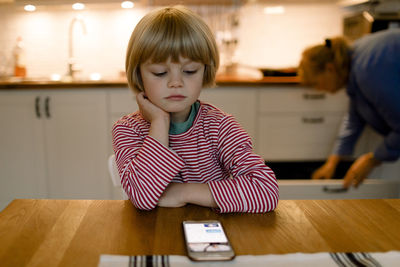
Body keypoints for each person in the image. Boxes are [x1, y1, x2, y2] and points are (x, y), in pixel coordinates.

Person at [112, 6, 279, 213]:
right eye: (160, 72)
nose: (176, 82)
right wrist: (159, 123)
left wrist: (183, 192)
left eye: (190, 71)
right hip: (153, 239)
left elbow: (266, 191)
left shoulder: (220, 126)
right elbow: (143, 197)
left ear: (205, 71)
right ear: (139, 75)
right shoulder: (128, 130)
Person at [298, 29, 400, 188]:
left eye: (316, 84)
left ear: (329, 69)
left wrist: (372, 159)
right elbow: (355, 117)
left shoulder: (367, 69)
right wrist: (332, 162)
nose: (319, 89)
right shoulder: (355, 63)